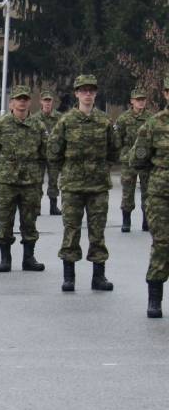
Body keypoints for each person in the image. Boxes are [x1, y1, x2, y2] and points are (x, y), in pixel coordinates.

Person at [47, 74, 121, 293]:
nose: (87, 94)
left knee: (97, 232)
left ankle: (99, 276)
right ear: (77, 93)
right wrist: (68, 171)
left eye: (91, 90)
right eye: (83, 90)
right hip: (73, 186)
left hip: (98, 187)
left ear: (95, 93)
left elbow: (113, 150)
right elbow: (54, 151)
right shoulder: (66, 121)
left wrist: (102, 168)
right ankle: (69, 277)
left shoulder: (104, 121)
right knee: (71, 231)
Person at [0, 85, 46, 273]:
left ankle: (29, 258)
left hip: (30, 181)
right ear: (12, 103)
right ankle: (5, 258)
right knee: (5, 220)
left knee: (29, 221)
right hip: (6, 181)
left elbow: (45, 153)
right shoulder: (0, 125)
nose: (22, 102)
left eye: (25, 99)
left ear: (30, 102)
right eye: (19, 99)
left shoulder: (38, 126)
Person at [129, 79, 169, 317]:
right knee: (163, 245)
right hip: (161, 196)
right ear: (165, 93)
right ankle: (155, 299)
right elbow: (137, 160)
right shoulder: (154, 125)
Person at [114, 89, 152, 232]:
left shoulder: (150, 118)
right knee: (127, 192)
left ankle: (146, 221)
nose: (141, 102)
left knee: (147, 192)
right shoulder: (124, 118)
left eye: (143, 99)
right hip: (129, 160)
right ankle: (126, 220)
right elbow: (117, 138)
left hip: (145, 161)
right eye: (138, 99)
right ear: (132, 101)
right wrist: (122, 154)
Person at [35, 91, 63, 215]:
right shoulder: (35, 118)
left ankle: (53, 206)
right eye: (45, 100)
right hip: (39, 154)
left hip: (53, 154)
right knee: (37, 180)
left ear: (52, 102)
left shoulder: (59, 117)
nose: (47, 103)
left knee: (53, 180)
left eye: (49, 100)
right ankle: (36, 206)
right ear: (41, 102)